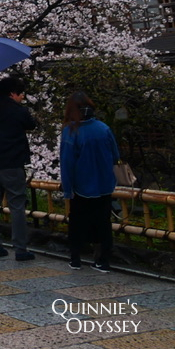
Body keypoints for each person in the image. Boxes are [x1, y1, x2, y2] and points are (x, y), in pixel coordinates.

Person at [0, 74, 39, 261]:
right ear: (12, 93)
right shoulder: (19, 111)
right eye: (21, 94)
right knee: (17, 205)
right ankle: (20, 248)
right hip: (12, 164)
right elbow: (31, 125)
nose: (22, 97)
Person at [60, 92, 120, 272]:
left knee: (77, 222)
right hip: (104, 184)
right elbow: (116, 156)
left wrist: (67, 188)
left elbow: (67, 162)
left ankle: (76, 259)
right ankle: (103, 260)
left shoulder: (71, 131)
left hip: (82, 186)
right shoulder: (103, 128)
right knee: (103, 222)